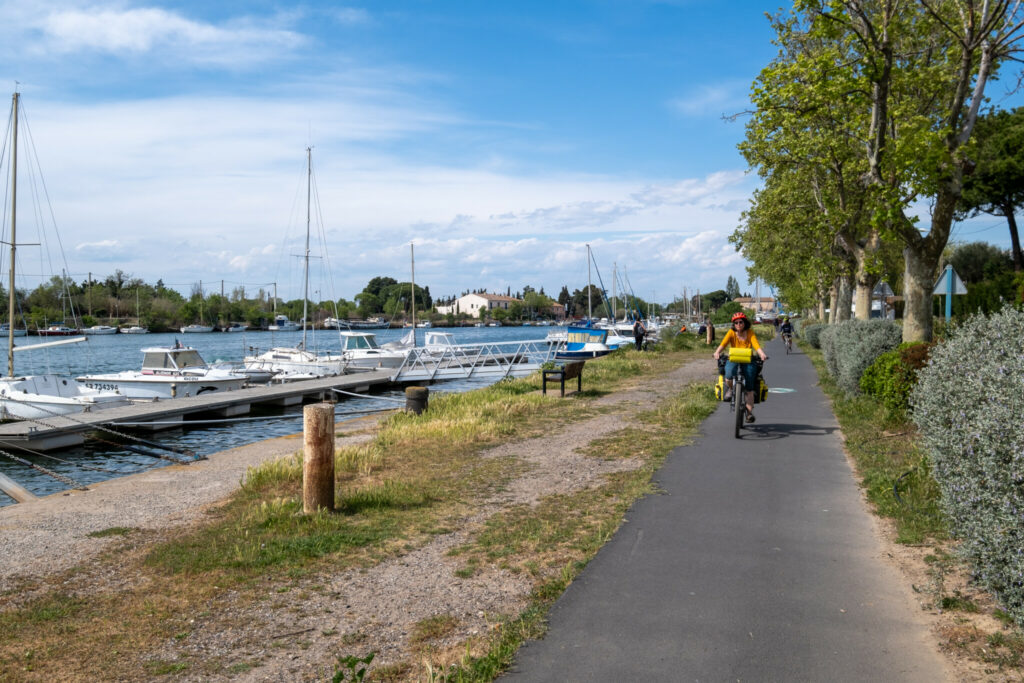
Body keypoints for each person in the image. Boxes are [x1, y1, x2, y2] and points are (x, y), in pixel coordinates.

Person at [713, 312, 767, 423]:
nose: (738, 324)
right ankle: (731, 389)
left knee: (750, 387)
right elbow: (723, 344)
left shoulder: (750, 333)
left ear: (745, 322)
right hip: (734, 359)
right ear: (734, 324)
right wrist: (717, 352)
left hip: (748, 360)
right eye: (736, 322)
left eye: (740, 322)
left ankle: (749, 413)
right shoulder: (731, 333)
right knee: (728, 375)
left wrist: (761, 354)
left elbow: (756, 345)